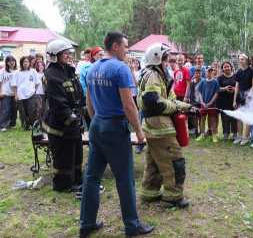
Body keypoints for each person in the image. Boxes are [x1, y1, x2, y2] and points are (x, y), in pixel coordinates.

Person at [80, 32, 153, 238]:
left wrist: (96, 121)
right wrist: (138, 131)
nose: (127, 50)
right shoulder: (120, 69)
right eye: (125, 47)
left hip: (97, 125)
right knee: (125, 179)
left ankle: (86, 224)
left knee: (92, 177)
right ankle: (132, 225)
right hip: (114, 128)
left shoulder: (93, 68)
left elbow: (89, 101)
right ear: (115, 46)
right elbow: (129, 104)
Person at [137, 43, 195, 209]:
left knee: (155, 161)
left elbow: (169, 99)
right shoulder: (154, 75)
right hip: (160, 127)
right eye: (165, 58)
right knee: (175, 160)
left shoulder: (157, 74)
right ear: (156, 58)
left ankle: (150, 192)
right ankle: (174, 196)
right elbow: (153, 102)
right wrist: (175, 107)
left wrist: (187, 107)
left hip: (154, 126)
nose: (169, 61)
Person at [42, 39, 84, 194]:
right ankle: (63, 185)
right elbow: (58, 104)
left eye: (68, 53)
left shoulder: (68, 70)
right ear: (55, 56)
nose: (68, 56)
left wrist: (80, 113)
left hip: (73, 121)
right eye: (65, 53)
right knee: (64, 156)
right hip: (60, 124)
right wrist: (71, 119)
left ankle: (77, 180)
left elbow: (78, 93)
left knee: (76, 153)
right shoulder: (51, 75)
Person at [232, 53, 253, 146]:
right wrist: (234, 100)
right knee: (239, 117)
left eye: (242, 59)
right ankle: (239, 136)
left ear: (246, 60)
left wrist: (249, 96)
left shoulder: (251, 71)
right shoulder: (238, 72)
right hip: (239, 98)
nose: (240, 60)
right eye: (240, 59)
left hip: (249, 98)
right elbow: (237, 86)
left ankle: (246, 137)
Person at [11, 56, 40, 130]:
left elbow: (37, 83)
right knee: (22, 112)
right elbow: (14, 85)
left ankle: (33, 125)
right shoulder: (17, 72)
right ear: (21, 63)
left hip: (31, 95)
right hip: (20, 96)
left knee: (32, 111)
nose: (25, 63)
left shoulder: (33, 71)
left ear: (29, 63)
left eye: (27, 61)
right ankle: (25, 126)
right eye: (24, 62)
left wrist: (34, 91)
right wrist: (15, 95)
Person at [196, 67, 220, 143]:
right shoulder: (202, 82)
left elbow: (216, 93)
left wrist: (210, 103)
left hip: (212, 105)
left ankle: (214, 135)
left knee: (213, 120)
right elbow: (199, 92)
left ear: (213, 72)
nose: (208, 73)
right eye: (207, 71)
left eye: (210, 71)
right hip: (203, 104)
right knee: (202, 119)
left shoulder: (215, 82)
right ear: (205, 73)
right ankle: (202, 134)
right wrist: (202, 102)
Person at [217, 61, 237, 140]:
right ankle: (226, 133)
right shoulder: (219, 78)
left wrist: (234, 89)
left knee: (234, 117)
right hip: (223, 101)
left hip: (233, 100)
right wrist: (225, 89)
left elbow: (239, 87)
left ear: (231, 67)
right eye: (225, 67)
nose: (227, 68)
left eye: (228, 66)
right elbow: (217, 89)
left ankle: (235, 133)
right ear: (222, 69)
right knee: (224, 117)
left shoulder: (236, 76)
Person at [0, 55, 18, 131]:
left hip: (15, 94)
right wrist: (0, 92)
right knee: (5, 110)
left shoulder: (17, 71)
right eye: (9, 61)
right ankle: (2, 125)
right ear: (7, 62)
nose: (12, 63)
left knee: (14, 110)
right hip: (5, 93)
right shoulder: (3, 71)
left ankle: (12, 124)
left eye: (13, 61)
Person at [185, 67, 202, 136]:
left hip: (201, 102)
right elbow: (189, 90)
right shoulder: (192, 82)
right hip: (193, 101)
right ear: (194, 74)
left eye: (199, 73)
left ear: (201, 74)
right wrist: (187, 98)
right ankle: (196, 130)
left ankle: (201, 131)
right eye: (196, 73)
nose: (197, 74)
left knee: (201, 117)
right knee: (195, 117)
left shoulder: (203, 82)